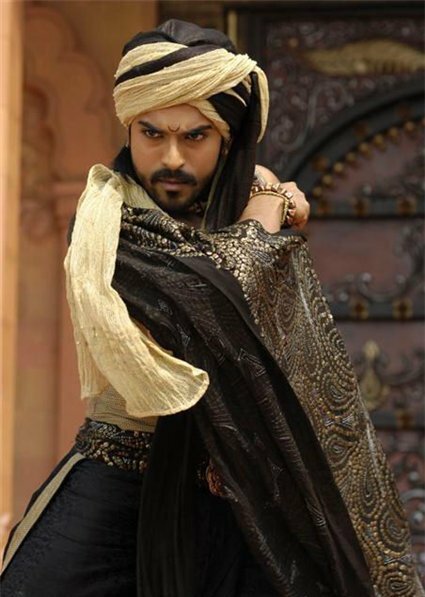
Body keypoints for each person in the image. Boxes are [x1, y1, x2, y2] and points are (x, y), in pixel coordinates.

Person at [1, 19, 422, 597]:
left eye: (194, 136)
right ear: (130, 127)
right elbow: (213, 294)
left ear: (226, 139)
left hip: (245, 493)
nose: (170, 157)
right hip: (122, 478)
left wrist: (260, 211)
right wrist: (267, 209)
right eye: (152, 133)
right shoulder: (110, 226)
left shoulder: (241, 215)